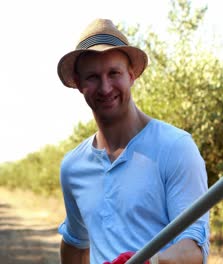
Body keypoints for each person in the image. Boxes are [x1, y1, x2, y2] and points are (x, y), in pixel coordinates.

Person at [56, 18, 210, 264]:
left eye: (114, 73)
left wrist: (150, 262)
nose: (105, 87)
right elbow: (75, 242)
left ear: (131, 75)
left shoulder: (175, 147)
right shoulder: (73, 167)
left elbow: (193, 249)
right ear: (79, 84)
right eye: (93, 77)